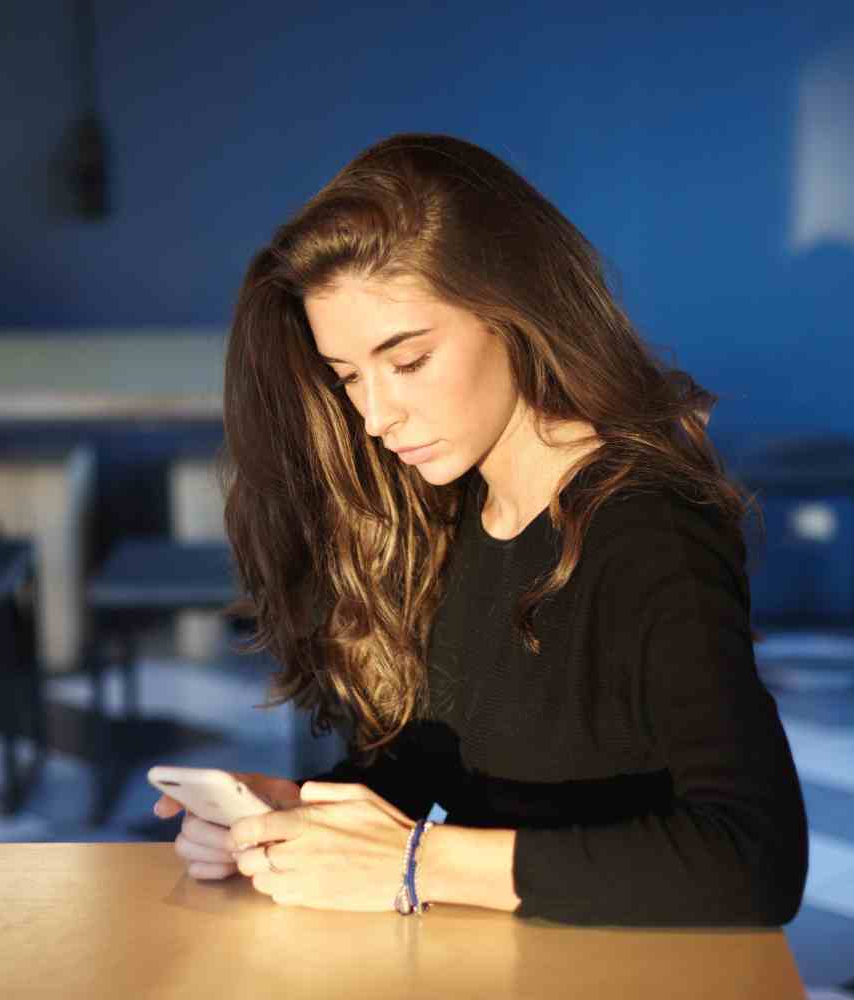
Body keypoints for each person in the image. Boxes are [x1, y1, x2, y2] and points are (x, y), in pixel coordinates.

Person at [152, 133, 809, 926]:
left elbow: (755, 858)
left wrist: (415, 862)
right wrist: (296, 815)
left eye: (410, 360)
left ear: (516, 313)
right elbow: (447, 775)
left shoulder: (648, 533)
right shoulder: (452, 508)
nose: (375, 416)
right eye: (349, 377)